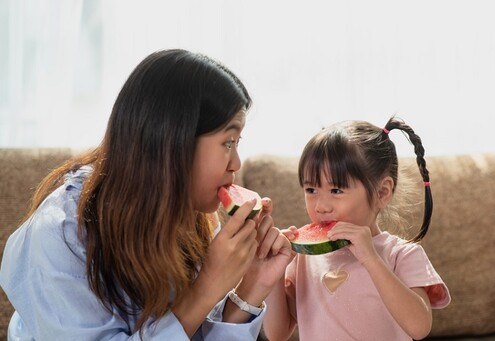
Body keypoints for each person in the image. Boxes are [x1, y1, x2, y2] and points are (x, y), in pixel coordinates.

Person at [0, 49, 292, 340]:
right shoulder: (58, 234)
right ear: (173, 140)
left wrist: (251, 288)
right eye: (228, 142)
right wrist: (206, 288)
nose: (236, 164)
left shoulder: (190, 219)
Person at [263, 117, 451, 341]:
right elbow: (277, 334)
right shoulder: (304, 259)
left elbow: (419, 327)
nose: (321, 206)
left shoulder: (402, 255)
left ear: (382, 193)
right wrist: (274, 274)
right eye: (311, 189)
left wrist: (371, 259)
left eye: (336, 190)